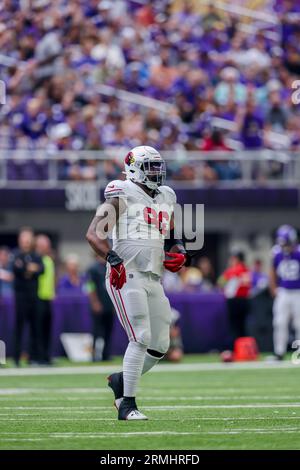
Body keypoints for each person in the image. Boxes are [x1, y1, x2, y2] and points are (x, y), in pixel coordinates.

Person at [86, 146, 189, 420]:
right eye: (150, 167)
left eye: (158, 166)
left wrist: (178, 249)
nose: (156, 172)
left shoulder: (166, 195)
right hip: (126, 275)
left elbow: (172, 232)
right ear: (133, 168)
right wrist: (113, 259)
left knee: (160, 344)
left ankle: (121, 379)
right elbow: (94, 234)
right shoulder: (122, 191)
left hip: (153, 276)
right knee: (140, 336)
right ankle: (127, 405)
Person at [13, 227, 44, 366]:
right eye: (24, 239)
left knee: (35, 328)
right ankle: (16, 358)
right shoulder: (16, 255)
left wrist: (28, 269)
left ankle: (34, 357)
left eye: (28, 239)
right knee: (19, 327)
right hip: (21, 297)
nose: (26, 242)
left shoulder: (36, 255)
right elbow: (18, 269)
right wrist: (30, 268)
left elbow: (41, 269)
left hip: (34, 296)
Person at [270, 225, 300, 360]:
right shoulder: (277, 253)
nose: (285, 246)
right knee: (279, 322)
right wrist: (273, 288)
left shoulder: (298, 252)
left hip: (298, 291)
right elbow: (272, 271)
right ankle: (279, 352)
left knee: (299, 323)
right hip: (283, 291)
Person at [218, 251, 251, 348]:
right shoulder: (246, 269)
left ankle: (234, 348)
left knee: (234, 327)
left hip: (235, 301)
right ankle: (244, 348)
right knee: (242, 326)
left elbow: (220, 282)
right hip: (244, 300)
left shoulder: (234, 269)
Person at [86, 256, 115, 361]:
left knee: (108, 331)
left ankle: (105, 354)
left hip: (109, 304)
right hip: (98, 304)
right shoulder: (92, 269)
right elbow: (89, 286)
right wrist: (94, 302)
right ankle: (94, 355)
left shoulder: (110, 267)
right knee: (96, 331)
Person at [36, 235, 56, 365]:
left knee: (47, 329)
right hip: (38, 298)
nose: (46, 247)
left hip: (48, 298)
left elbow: (52, 277)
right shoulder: (36, 259)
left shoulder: (49, 260)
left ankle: (46, 356)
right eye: (44, 245)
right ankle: (39, 356)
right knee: (39, 330)